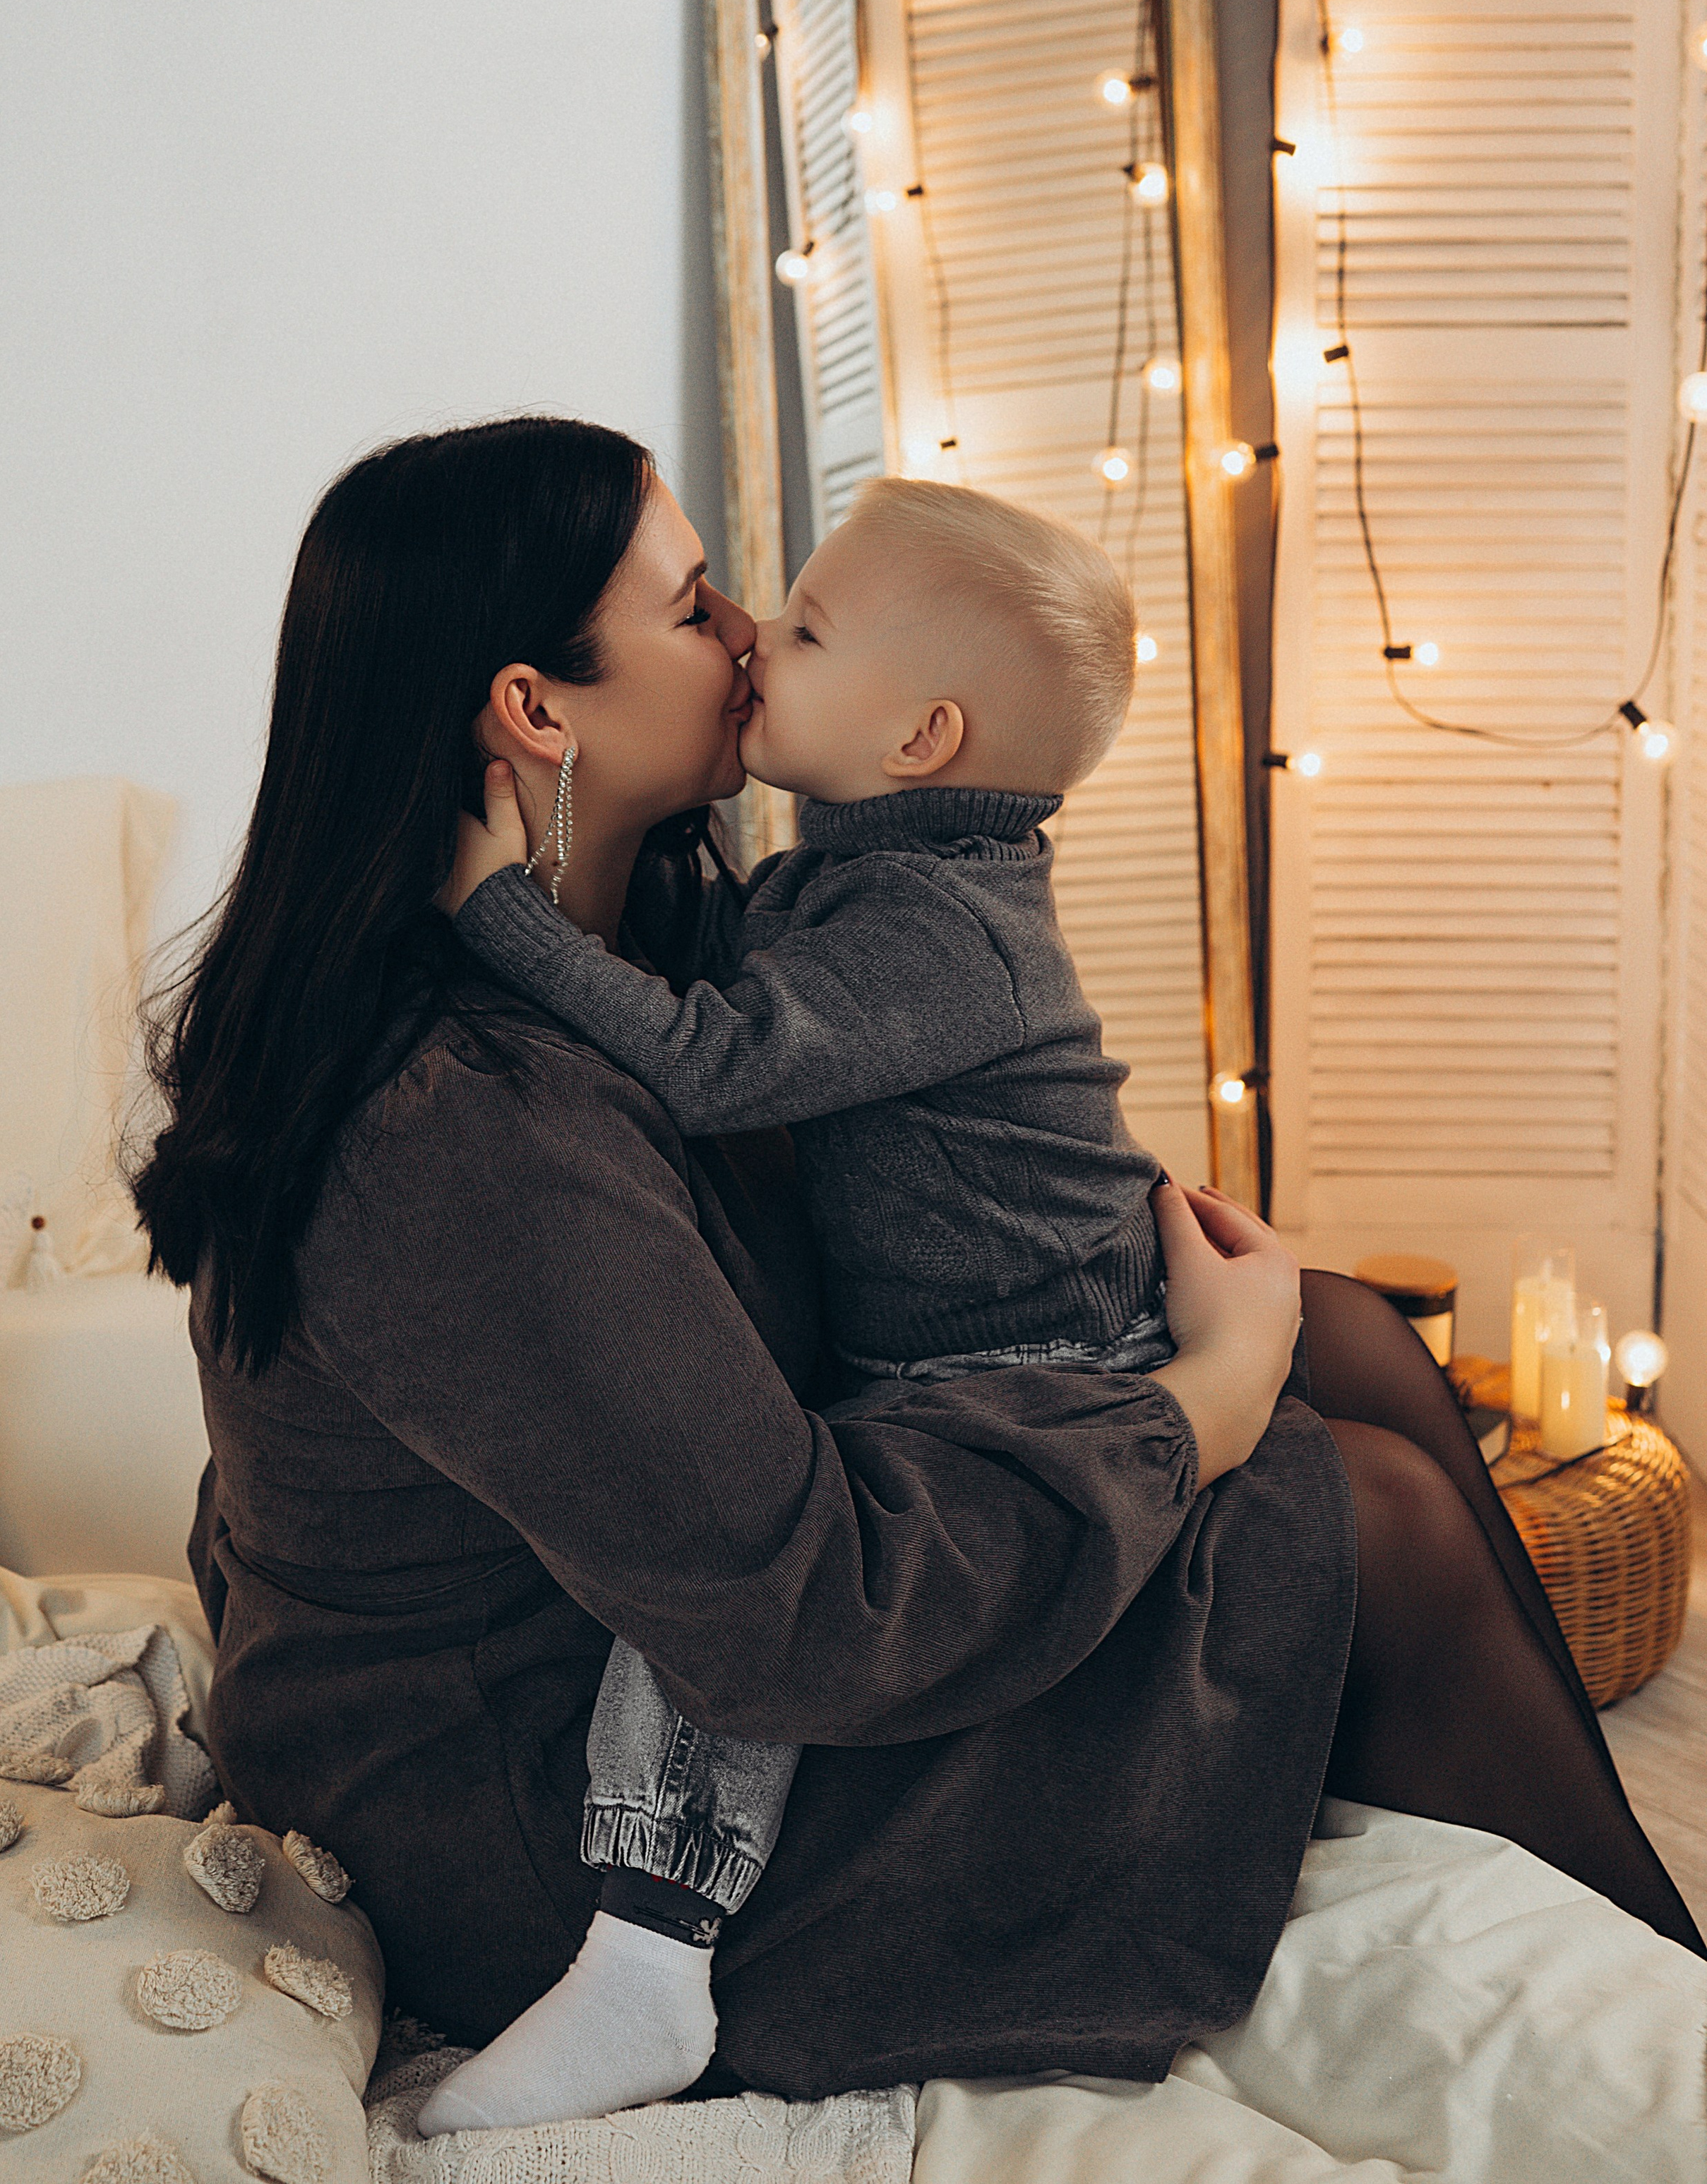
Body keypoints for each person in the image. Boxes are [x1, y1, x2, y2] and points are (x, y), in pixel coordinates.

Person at [132, 416, 1701, 2135]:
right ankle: (1664, 2029)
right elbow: (791, 1612)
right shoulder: (457, 1123)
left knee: (1340, 1334)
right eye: (694, 605)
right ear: (533, 710)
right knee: (1375, 1518)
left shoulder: (657, 940)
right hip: (563, 1830)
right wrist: (1197, 1406)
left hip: (678, 1607)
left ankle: (1663, 1972)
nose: (743, 635)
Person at [427, 472, 1179, 2130]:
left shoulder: (930, 918)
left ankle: (645, 1950)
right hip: (958, 1342)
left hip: (1024, 1355)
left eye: (802, 622)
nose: (754, 629)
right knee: (712, 1560)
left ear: (920, 739)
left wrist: (490, 908)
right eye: (708, 601)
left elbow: (714, 1060)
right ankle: (646, 1956)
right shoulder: (848, 879)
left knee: (719, 1615)